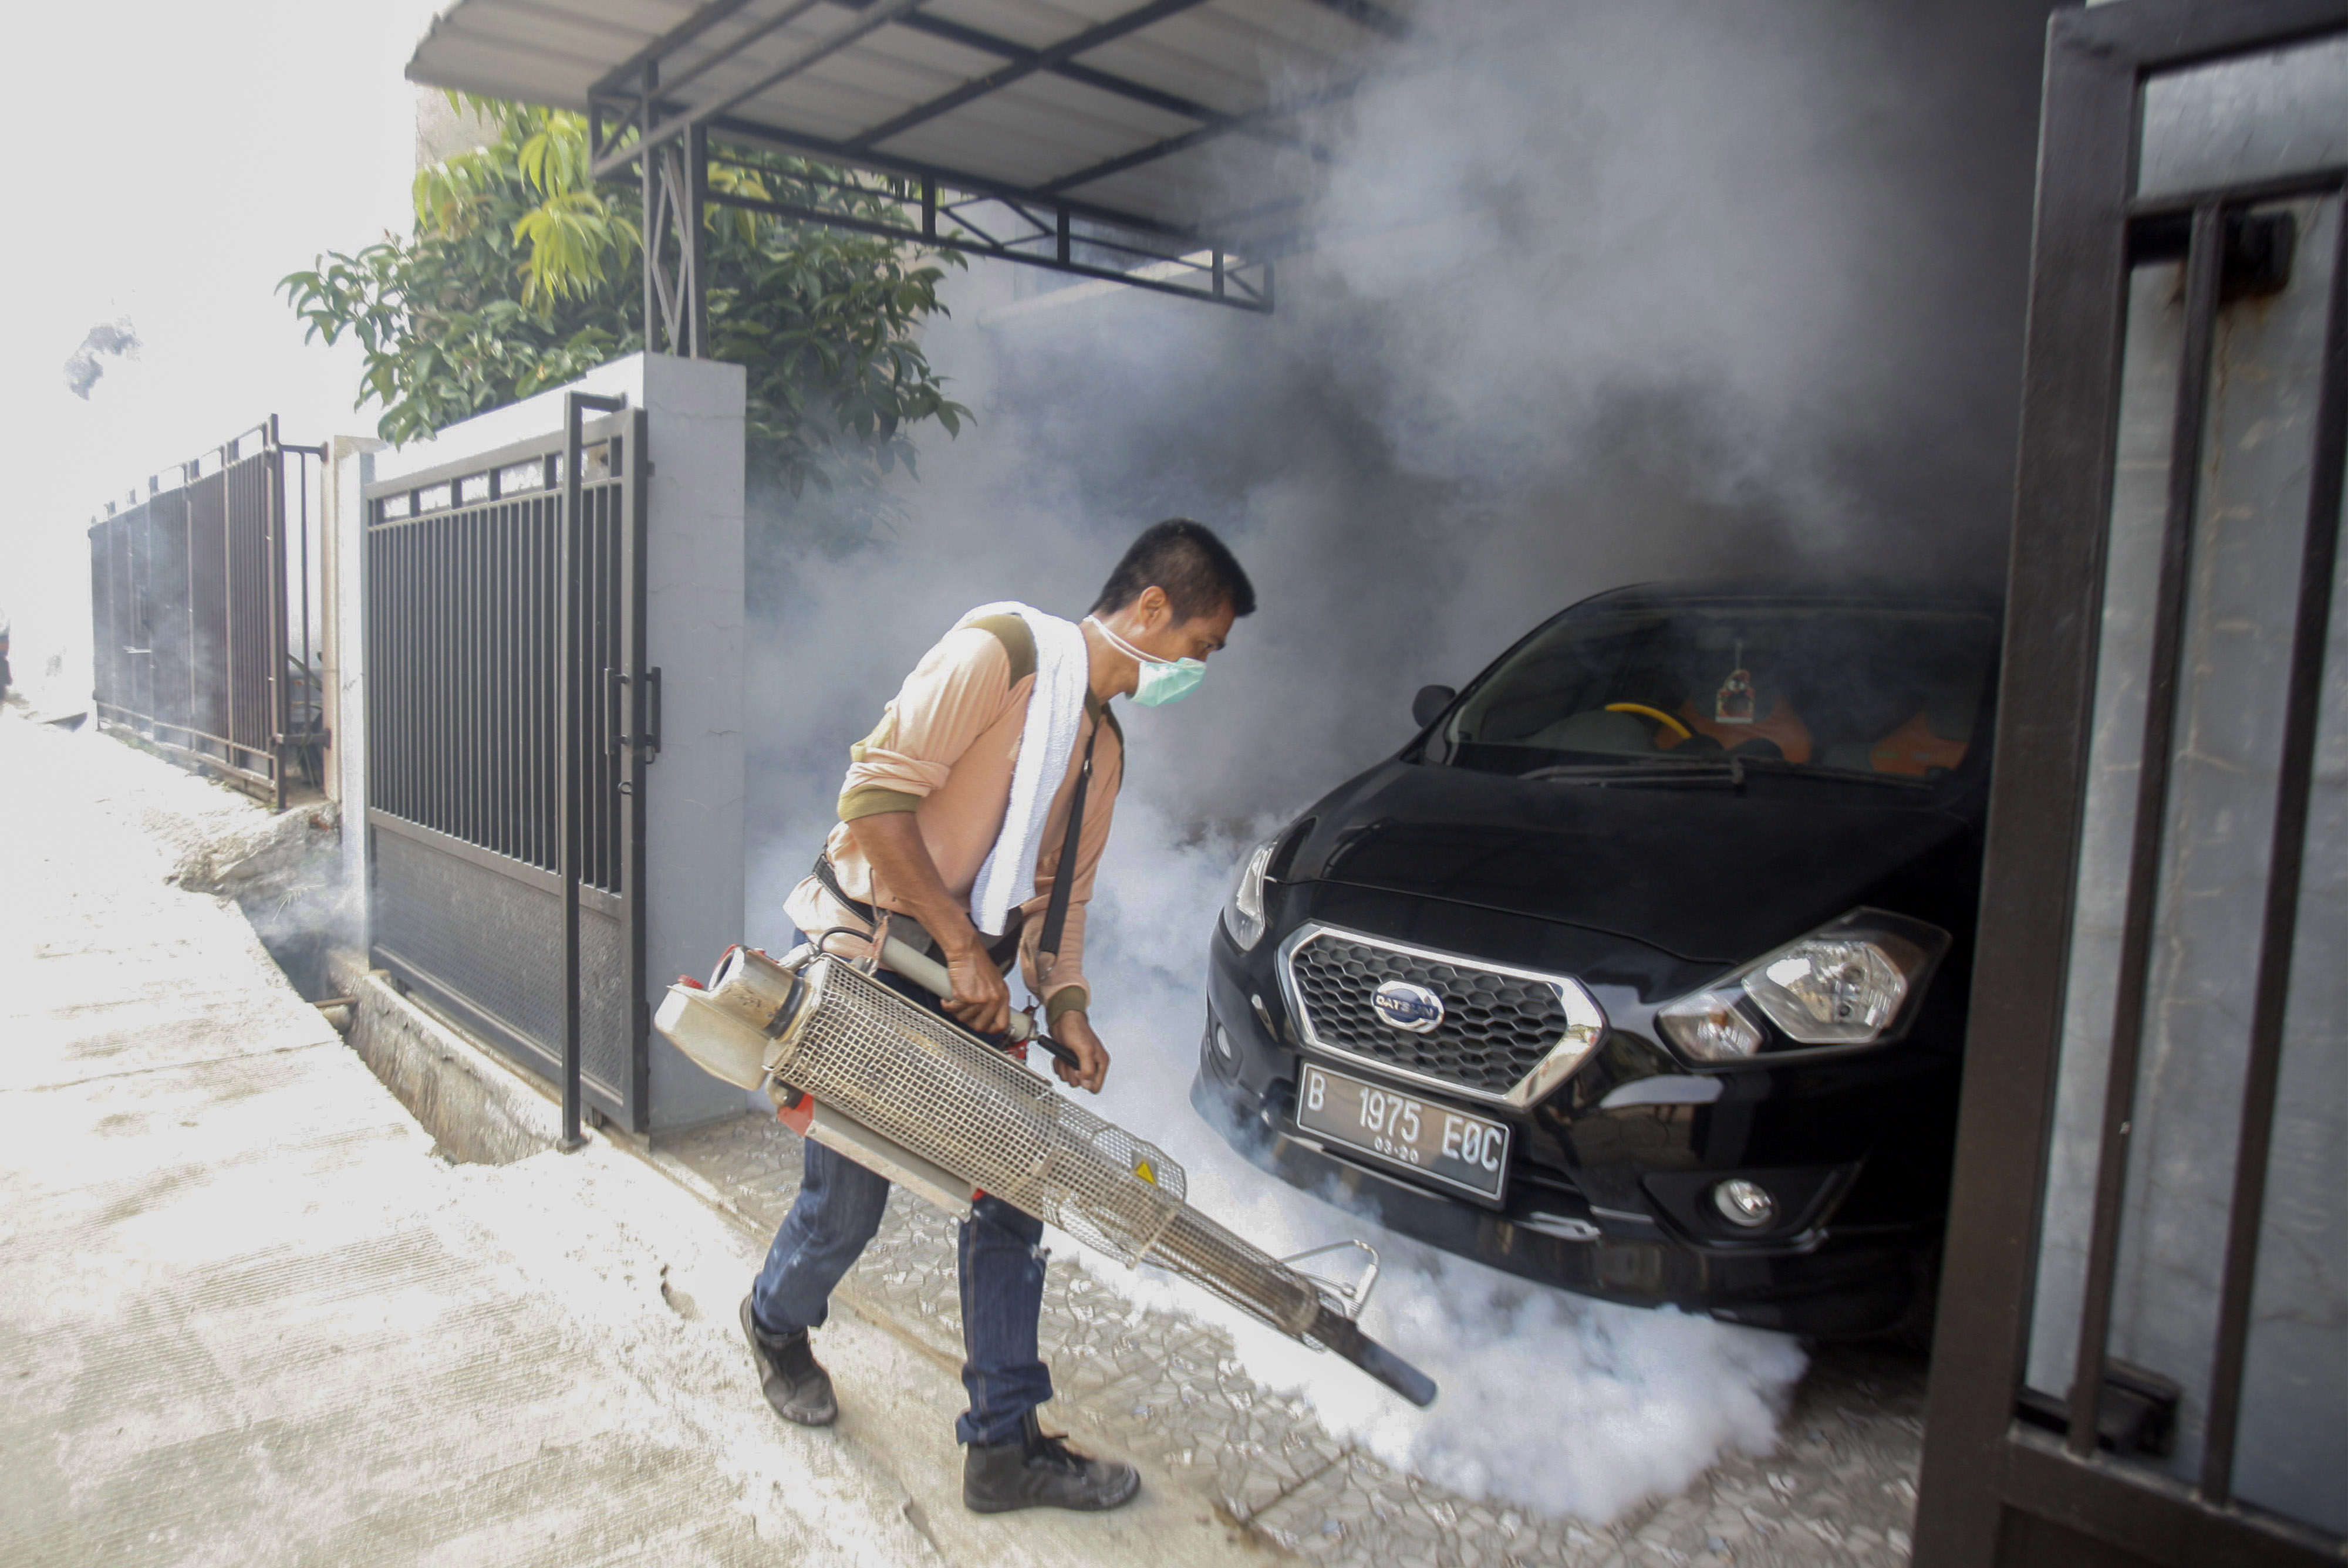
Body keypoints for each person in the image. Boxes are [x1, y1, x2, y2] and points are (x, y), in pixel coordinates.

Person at [741, 518, 1256, 1515]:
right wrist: (964, 946)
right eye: (1203, 647)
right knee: (848, 1207)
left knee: (1015, 1200)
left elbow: (1062, 904)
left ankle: (1003, 1445)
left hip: (968, 988)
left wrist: (1067, 1009)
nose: (1199, 669)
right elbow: (874, 803)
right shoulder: (1001, 652)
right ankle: (773, 1324)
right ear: (1153, 609)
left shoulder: (1101, 745)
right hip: (877, 957)